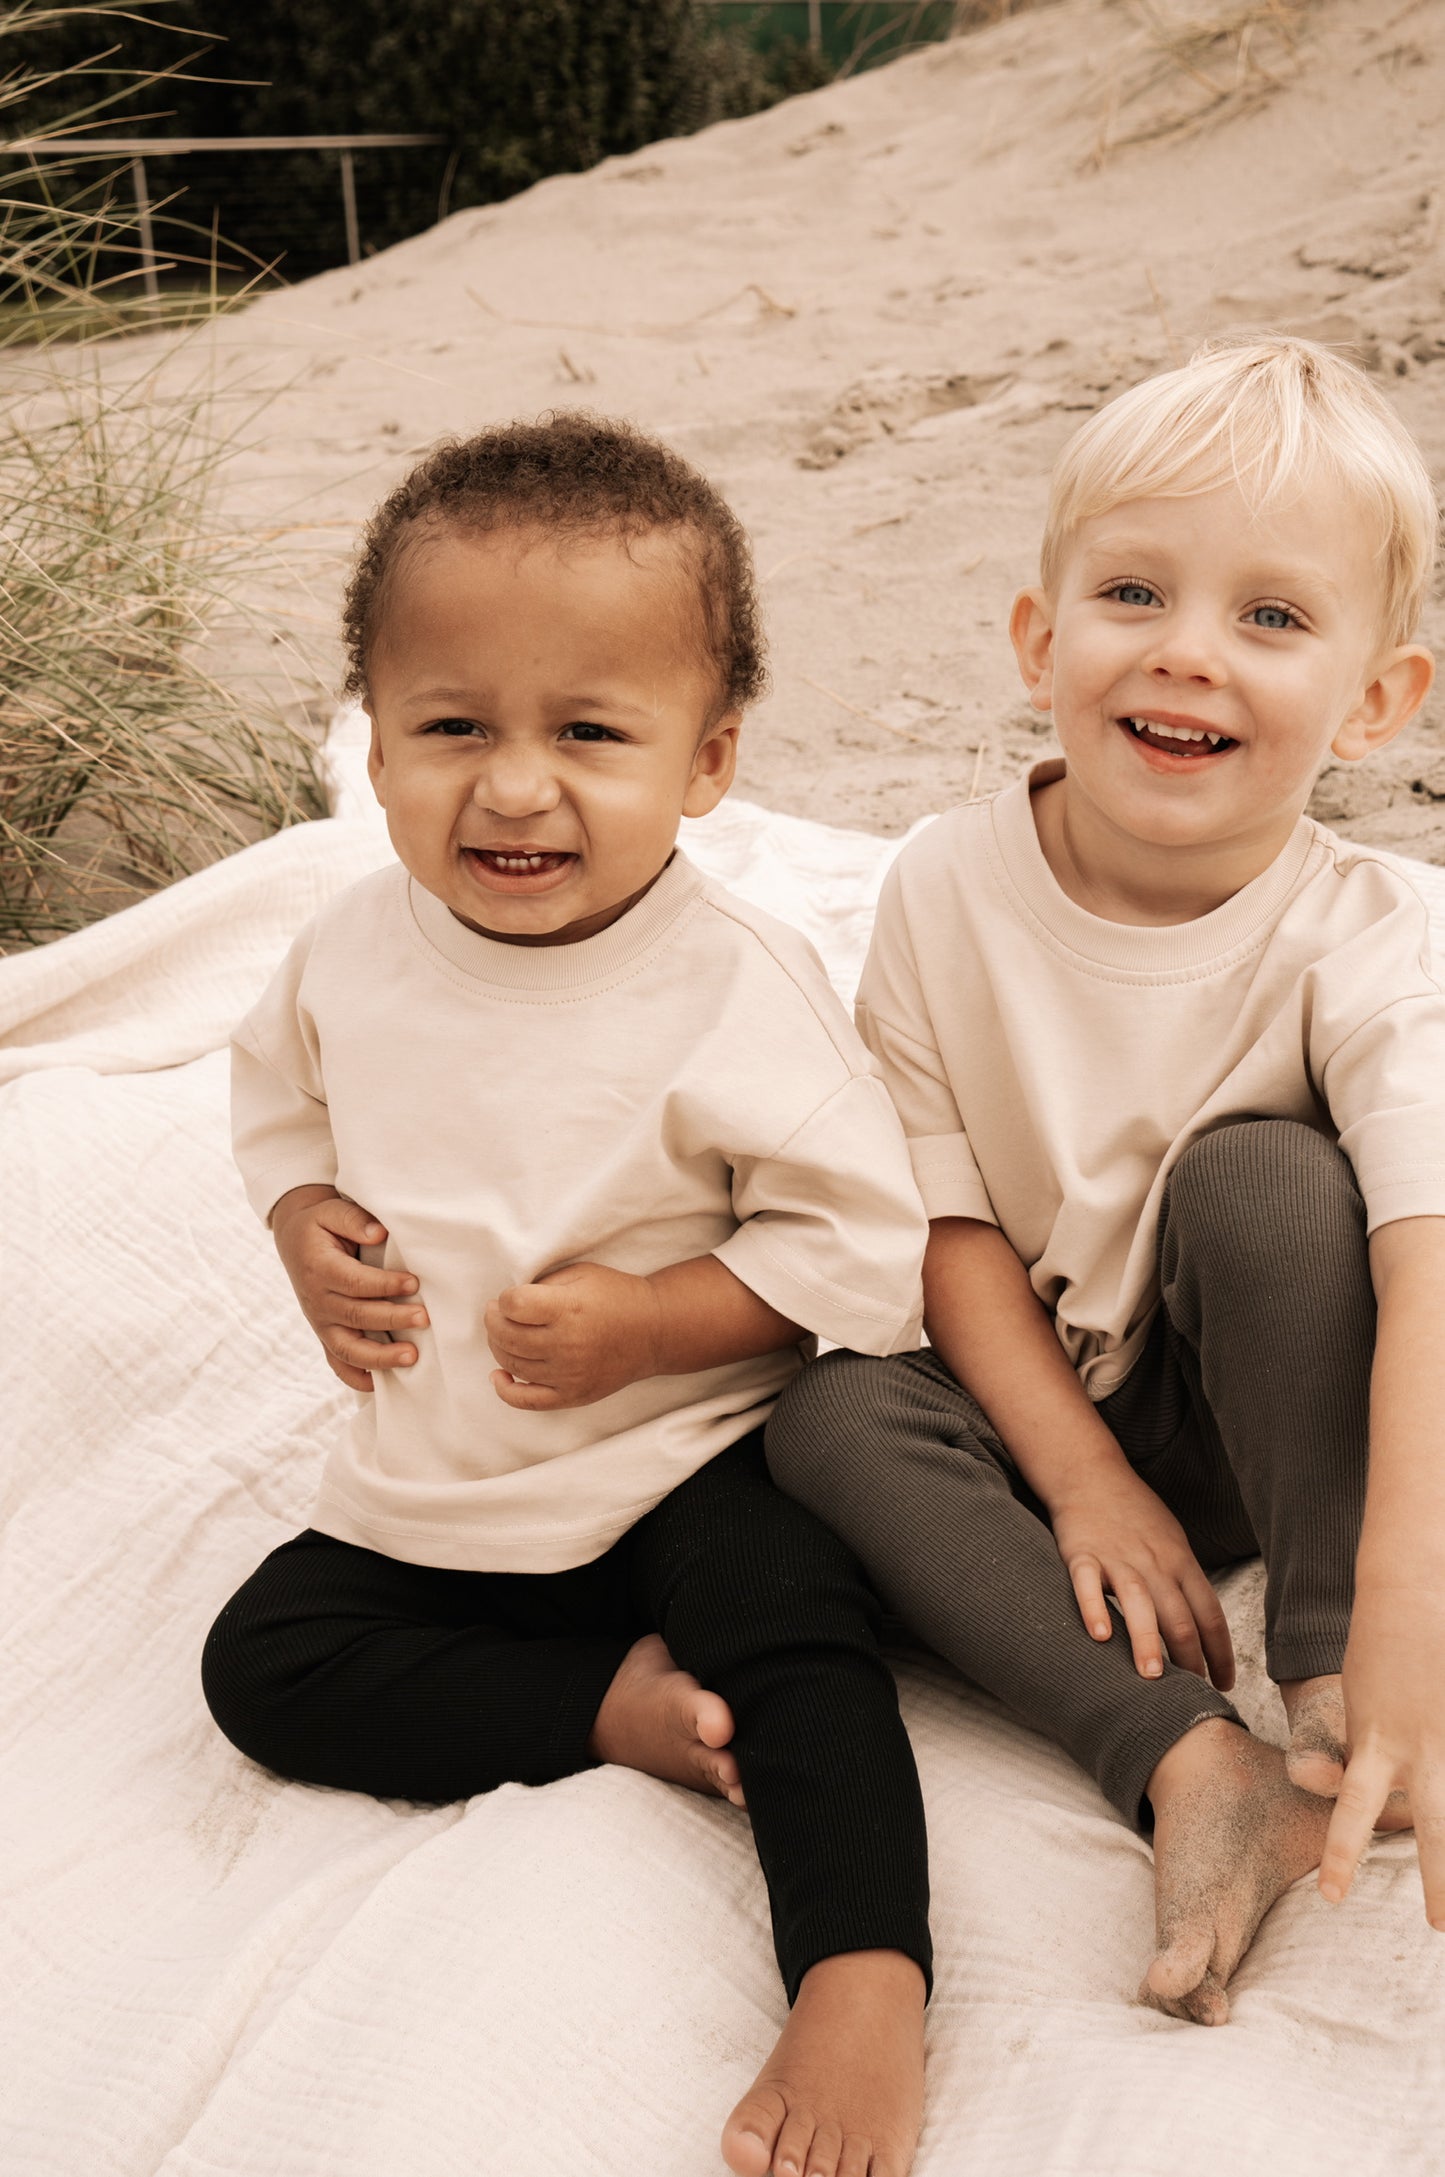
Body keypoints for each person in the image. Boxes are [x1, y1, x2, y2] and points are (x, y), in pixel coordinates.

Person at [201, 416, 933, 2177]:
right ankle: (603, 1708)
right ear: (370, 742)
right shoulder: (346, 947)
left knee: (802, 1640)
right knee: (265, 1664)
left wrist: (664, 1321)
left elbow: (861, 1249)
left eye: (590, 734)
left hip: (674, 1460)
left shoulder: (733, 983)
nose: (515, 787)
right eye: (453, 726)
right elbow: (277, 1105)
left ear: (708, 760)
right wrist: (306, 1221)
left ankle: (862, 1972)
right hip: (439, 1479)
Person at [766, 335, 1445, 2026]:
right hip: (1033, 1382)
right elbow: (941, 1222)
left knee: (1271, 1186)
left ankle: (1320, 1685)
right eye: (1133, 592)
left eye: (1271, 618)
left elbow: (1421, 1260)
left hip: (1250, 1416)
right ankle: (1194, 1762)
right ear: (1037, 637)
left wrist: (1401, 1605)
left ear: (1376, 702)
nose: (1187, 655)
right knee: (827, 1417)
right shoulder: (942, 886)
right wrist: (1074, 1478)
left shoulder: (1372, 935)